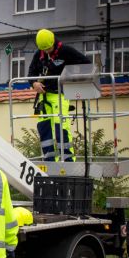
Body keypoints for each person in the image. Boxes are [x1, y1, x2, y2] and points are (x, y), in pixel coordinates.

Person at [28, 29, 91, 162]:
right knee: (44, 129)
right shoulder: (39, 53)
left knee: (61, 128)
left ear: (54, 43)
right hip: (44, 97)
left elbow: (86, 63)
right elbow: (31, 73)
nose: (46, 52)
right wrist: (34, 83)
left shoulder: (65, 51)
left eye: (48, 49)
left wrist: (69, 79)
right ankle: (50, 160)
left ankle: (67, 160)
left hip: (60, 95)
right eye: (44, 50)